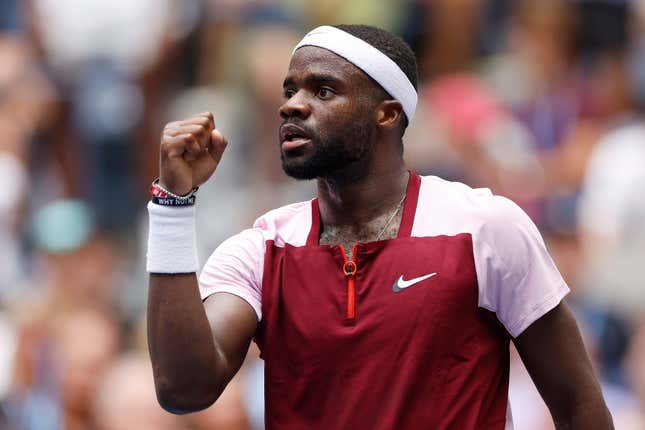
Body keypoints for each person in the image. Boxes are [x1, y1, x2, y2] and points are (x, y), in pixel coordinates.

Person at [146, 24, 613, 429]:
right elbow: (183, 389)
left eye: (323, 91)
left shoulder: (486, 227)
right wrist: (172, 203)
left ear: (388, 114)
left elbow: (577, 404)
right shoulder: (260, 248)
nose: (292, 106)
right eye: (290, 91)